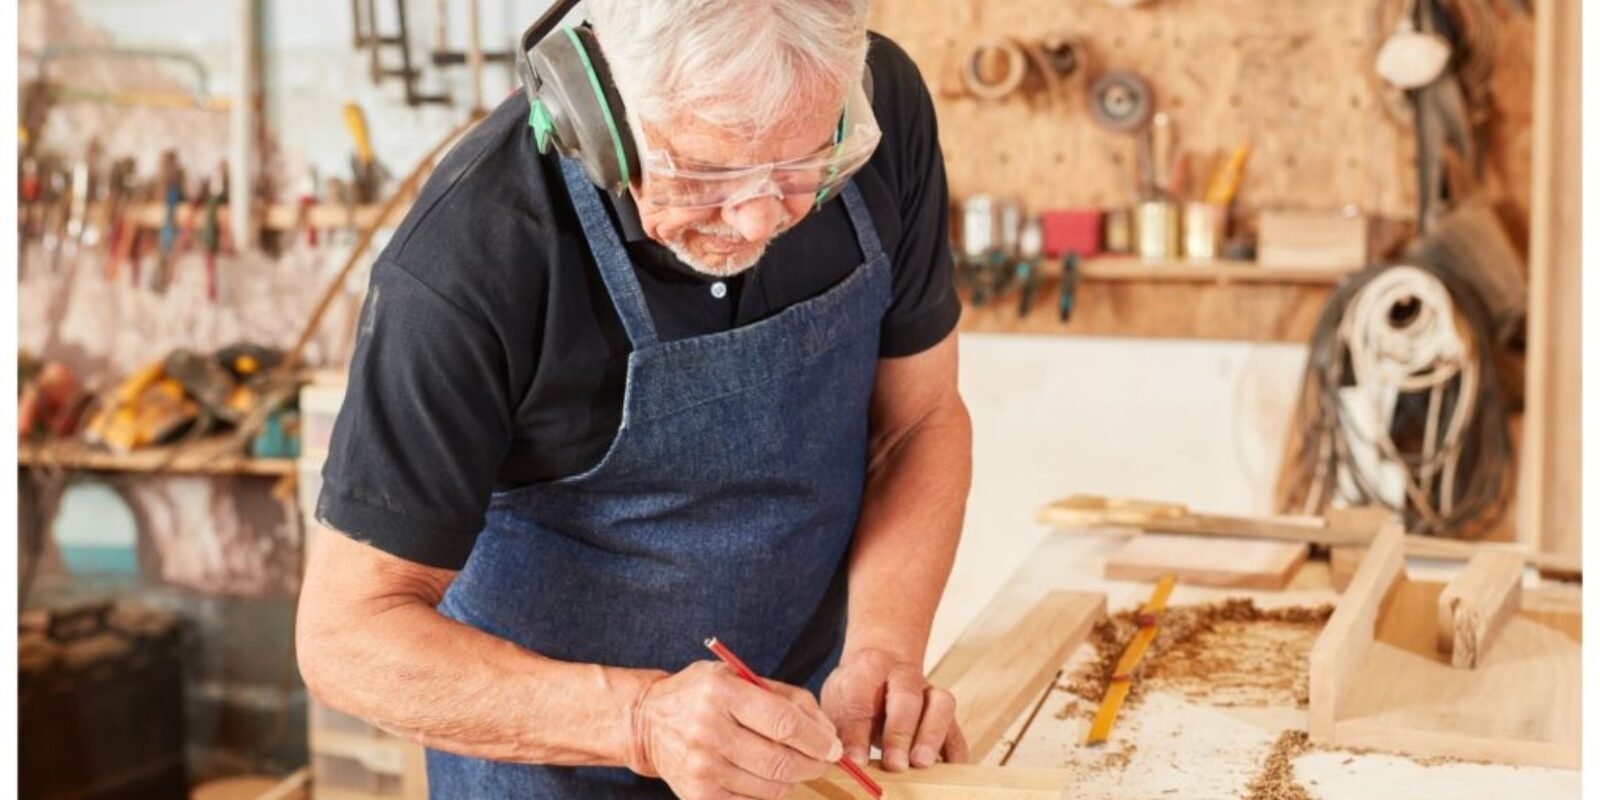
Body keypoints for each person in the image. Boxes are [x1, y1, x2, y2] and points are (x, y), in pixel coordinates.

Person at [296, 1, 971, 796]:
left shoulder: (876, 105)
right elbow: (346, 638)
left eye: (802, 168)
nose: (759, 218)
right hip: (548, 767)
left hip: (798, 755)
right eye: (708, 175)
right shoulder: (472, 257)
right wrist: (640, 719)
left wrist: (882, 649)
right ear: (602, 115)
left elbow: (917, 423)